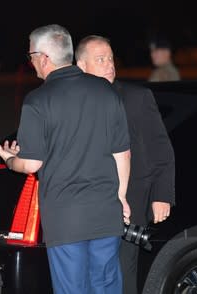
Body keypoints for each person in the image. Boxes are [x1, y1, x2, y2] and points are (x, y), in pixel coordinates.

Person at [0, 24, 131, 294]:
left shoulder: (38, 100)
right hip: (106, 212)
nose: (31, 62)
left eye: (31, 55)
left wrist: (11, 160)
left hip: (66, 218)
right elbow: (122, 153)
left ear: (44, 58)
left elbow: (32, 164)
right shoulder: (106, 91)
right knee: (105, 286)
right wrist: (122, 196)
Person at [75, 35, 175, 294]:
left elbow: (160, 147)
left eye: (110, 58)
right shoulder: (71, 101)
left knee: (123, 270)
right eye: (100, 60)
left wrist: (161, 195)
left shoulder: (136, 97)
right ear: (81, 66)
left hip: (131, 200)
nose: (109, 64)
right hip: (86, 203)